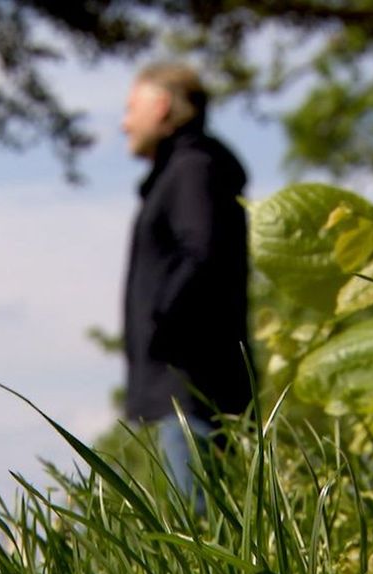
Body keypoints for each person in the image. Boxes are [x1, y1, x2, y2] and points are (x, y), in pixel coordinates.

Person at [120, 62, 250, 512]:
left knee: (202, 528)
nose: (123, 123)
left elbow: (202, 254)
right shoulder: (185, 171)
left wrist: (160, 322)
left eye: (130, 108)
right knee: (204, 518)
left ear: (160, 107)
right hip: (187, 381)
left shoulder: (193, 169)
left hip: (193, 384)